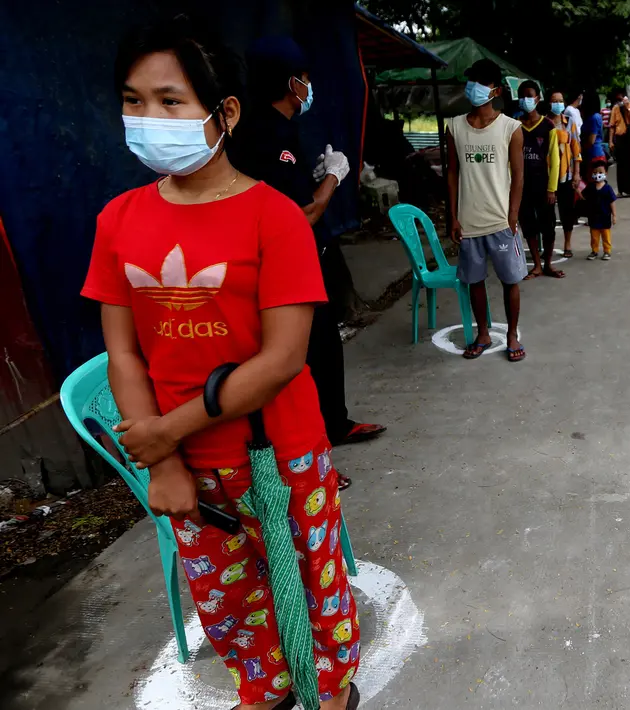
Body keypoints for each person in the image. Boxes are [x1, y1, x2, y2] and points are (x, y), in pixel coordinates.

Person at [85, 18, 359, 709]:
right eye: (133, 99)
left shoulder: (275, 218)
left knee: (312, 589)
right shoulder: (118, 219)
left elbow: (283, 360)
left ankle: (330, 693)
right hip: (188, 466)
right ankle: (262, 695)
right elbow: (123, 349)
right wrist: (166, 460)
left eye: (170, 101)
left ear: (224, 112)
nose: (149, 118)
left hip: (280, 454)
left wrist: (163, 434)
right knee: (230, 607)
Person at [230, 36, 385, 454]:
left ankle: (334, 425)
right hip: (281, 270)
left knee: (324, 347)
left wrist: (316, 176)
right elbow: (304, 214)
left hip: (300, 263)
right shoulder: (268, 133)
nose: (308, 87)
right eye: (305, 79)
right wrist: (334, 176)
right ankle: (308, 453)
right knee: (301, 359)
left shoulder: (272, 128)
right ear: (292, 83)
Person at [446, 59, 527, 362]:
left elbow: (518, 175)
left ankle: (511, 334)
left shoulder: (511, 128)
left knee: (510, 280)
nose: (473, 88)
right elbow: (452, 172)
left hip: (501, 220)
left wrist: (513, 215)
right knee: (474, 281)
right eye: (471, 81)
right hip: (469, 221)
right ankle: (482, 332)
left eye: (480, 82)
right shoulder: (454, 126)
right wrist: (453, 216)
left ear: (494, 90)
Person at [516, 81, 563, 279]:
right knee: (528, 226)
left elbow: (555, 159)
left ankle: (548, 264)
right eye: (523, 96)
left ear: (537, 99)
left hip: (543, 185)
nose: (527, 100)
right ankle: (536, 264)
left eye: (530, 96)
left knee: (548, 226)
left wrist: (552, 189)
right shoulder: (514, 125)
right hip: (522, 186)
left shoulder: (548, 126)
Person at [548, 90, 583, 258]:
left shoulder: (569, 123)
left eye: (560, 100)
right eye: (554, 100)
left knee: (567, 211)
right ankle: (549, 246)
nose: (557, 103)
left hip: (566, 176)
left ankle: (567, 243)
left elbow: (576, 150)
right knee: (547, 214)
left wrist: (576, 173)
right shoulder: (544, 123)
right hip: (547, 177)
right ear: (549, 103)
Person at [580, 159, 618, 260]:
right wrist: (576, 189)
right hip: (593, 217)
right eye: (595, 172)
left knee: (606, 236)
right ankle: (594, 251)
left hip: (605, 217)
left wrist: (614, 215)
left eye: (600, 172)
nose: (598, 174)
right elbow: (583, 197)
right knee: (594, 237)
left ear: (606, 173)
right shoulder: (590, 187)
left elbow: (612, 202)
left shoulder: (608, 188)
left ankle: (607, 251)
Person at [609, 89, 630, 197]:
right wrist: (610, 141)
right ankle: (621, 190)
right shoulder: (615, 108)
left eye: (622, 98)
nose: (621, 101)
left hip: (629, 137)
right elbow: (612, 126)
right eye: (619, 99)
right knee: (621, 164)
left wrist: (628, 109)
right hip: (619, 138)